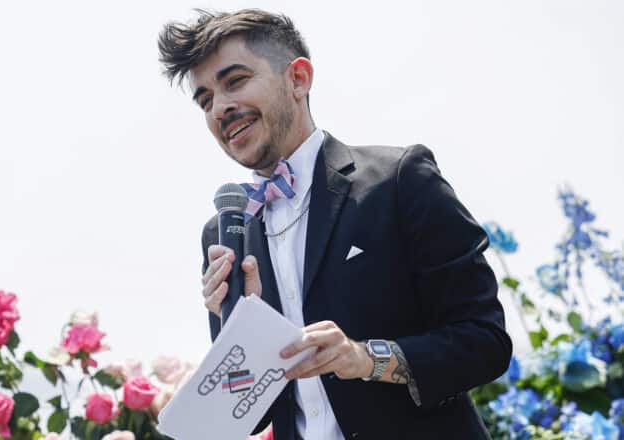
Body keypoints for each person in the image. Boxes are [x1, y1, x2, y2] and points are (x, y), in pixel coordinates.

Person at [158, 9, 512, 439]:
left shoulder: (399, 178)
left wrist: (366, 358)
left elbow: (484, 342)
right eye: (205, 99)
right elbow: (252, 414)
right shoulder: (224, 232)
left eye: (235, 81)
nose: (221, 108)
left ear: (298, 79)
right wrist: (245, 328)